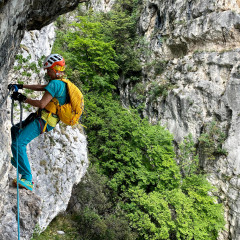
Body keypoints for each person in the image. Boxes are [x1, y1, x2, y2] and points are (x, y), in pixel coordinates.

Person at [9, 54, 67, 191]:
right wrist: (21, 86)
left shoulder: (56, 83)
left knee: (18, 143)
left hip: (44, 120)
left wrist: (23, 98)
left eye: (48, 70)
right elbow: (42, 87)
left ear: (54, 69)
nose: (47, 72)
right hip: (44, 118)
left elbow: (41, 104)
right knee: (15, 130)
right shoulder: (61, 82)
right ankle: (19, 161)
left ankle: (27, 179)